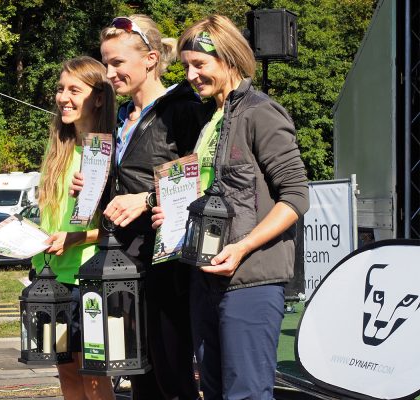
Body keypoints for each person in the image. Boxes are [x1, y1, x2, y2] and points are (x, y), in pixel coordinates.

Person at [152, 15, 310, 400]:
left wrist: (241, 247)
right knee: (215, 391)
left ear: (229, 59)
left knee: (247, 395)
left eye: (200, 64)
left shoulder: (260, 112)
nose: (190, 75)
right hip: (203, 278)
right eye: (187, 65)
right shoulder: (209, 120)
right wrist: (173, 217)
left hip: (250, 281)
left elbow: (296, 195)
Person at [74, 15, 210, 400]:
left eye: (118, 62)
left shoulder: (181, 109)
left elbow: (203, 182)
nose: (110, 72)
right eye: (106, 62)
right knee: (137, 375)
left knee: (172, 375)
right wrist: (92, 190)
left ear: (150, 59)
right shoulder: (119, 119)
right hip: (124, 265)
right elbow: (122, 193)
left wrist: (147, 200)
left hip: (167, 267)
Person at [31, 56, 116, 400]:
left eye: (73, 89)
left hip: (88, 278)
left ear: (98, 97)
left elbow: (117, 229)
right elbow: (52, 218)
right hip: (49, 277)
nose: (63, 97)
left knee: (93, 376)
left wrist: (74, 238)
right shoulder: (59, 148)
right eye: (60, 88)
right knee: (65, 371)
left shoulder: (109, 150)